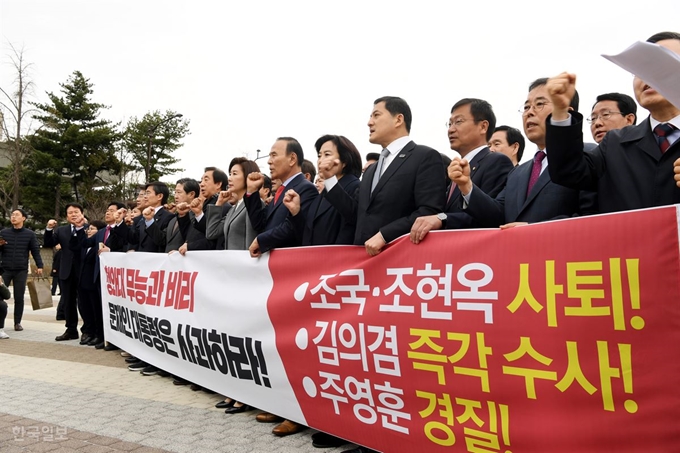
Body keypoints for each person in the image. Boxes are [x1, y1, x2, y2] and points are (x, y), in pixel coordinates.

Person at [546, 31, 680, 213]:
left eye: (662, 64)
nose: (648, 76)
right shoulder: (615, 143)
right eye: (641, 69)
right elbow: (569, 172)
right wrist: (560, 112)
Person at [449, 78, 596, 227]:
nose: (529, 113)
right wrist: (466, 186)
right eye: (526, 107)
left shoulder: (588, 156)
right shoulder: (517, 173)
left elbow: (593, 217)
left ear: (565, 112)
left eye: (539, 104)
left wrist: (533, 230)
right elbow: (497, 216)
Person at [325, 96, 446, 258]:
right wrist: (329, 180)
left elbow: (428, 212)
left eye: (376, 115)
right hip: (363, 264)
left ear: (398, 119)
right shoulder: (370, 171)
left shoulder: (424, 156)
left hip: (401, 261)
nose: (369, 122)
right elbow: (357, 214)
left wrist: (384, 235)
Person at [410, 98, 513, 244]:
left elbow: (494, 215)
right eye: (450, 123)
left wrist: (443, 219)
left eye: (458, 122)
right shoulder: (456, 167)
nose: (451, 129)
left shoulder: (496, 161)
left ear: (483, 126)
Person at [205, 157, 261, 414]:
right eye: (229, 172)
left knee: (243, 336)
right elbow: (212, 233)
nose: (230, 177)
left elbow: (251, 243)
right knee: (231, 335)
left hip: (244, 280)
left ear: (248, 176)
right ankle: (233, 389)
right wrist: (217, 204)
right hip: (230, 280)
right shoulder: (233, 205)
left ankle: (246, 394)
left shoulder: (250, 205)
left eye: (235, 173)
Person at [245, 137, 319, 258]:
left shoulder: (306, 188)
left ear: (292, 159)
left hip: (289, 264)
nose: (269, 161)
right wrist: (252, 192)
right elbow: (259, 224)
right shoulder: (281, 190)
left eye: (274, 155)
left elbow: (292, 228)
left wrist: (262, 240)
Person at [283, 134, 362, 245]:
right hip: (313, 259)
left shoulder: (355, 187)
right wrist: (296, 212)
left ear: (344, 161)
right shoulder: (323, 193)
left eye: (327, 155)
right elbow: (307, 233)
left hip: (335, 260)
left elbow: (353, 220)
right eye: (319, 156)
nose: (320, 160)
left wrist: (329, 179)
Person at [45, 203, 87, 341]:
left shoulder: (90, 228)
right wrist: (49, 229)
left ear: (82, 213)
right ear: (66, 216)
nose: (73, 215)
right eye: (70, 213)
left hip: (84, 270)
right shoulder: (62, 230)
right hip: (66, 270)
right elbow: (49, 243)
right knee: (68, 301)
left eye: (76, 212)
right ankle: (71, 330)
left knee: (84, 301)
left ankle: (88, 330)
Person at [0, 209, 44, 333]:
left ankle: (17, 322)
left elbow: (35, 250)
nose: (13, 217)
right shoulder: (4, 233)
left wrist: (39, 266)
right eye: (12, 215)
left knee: (19, 297)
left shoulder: (29, 234)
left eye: (17, 215)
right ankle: (0, 324)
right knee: (0, 296)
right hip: (5, 270)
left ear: (24, 218)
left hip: (21, 270)